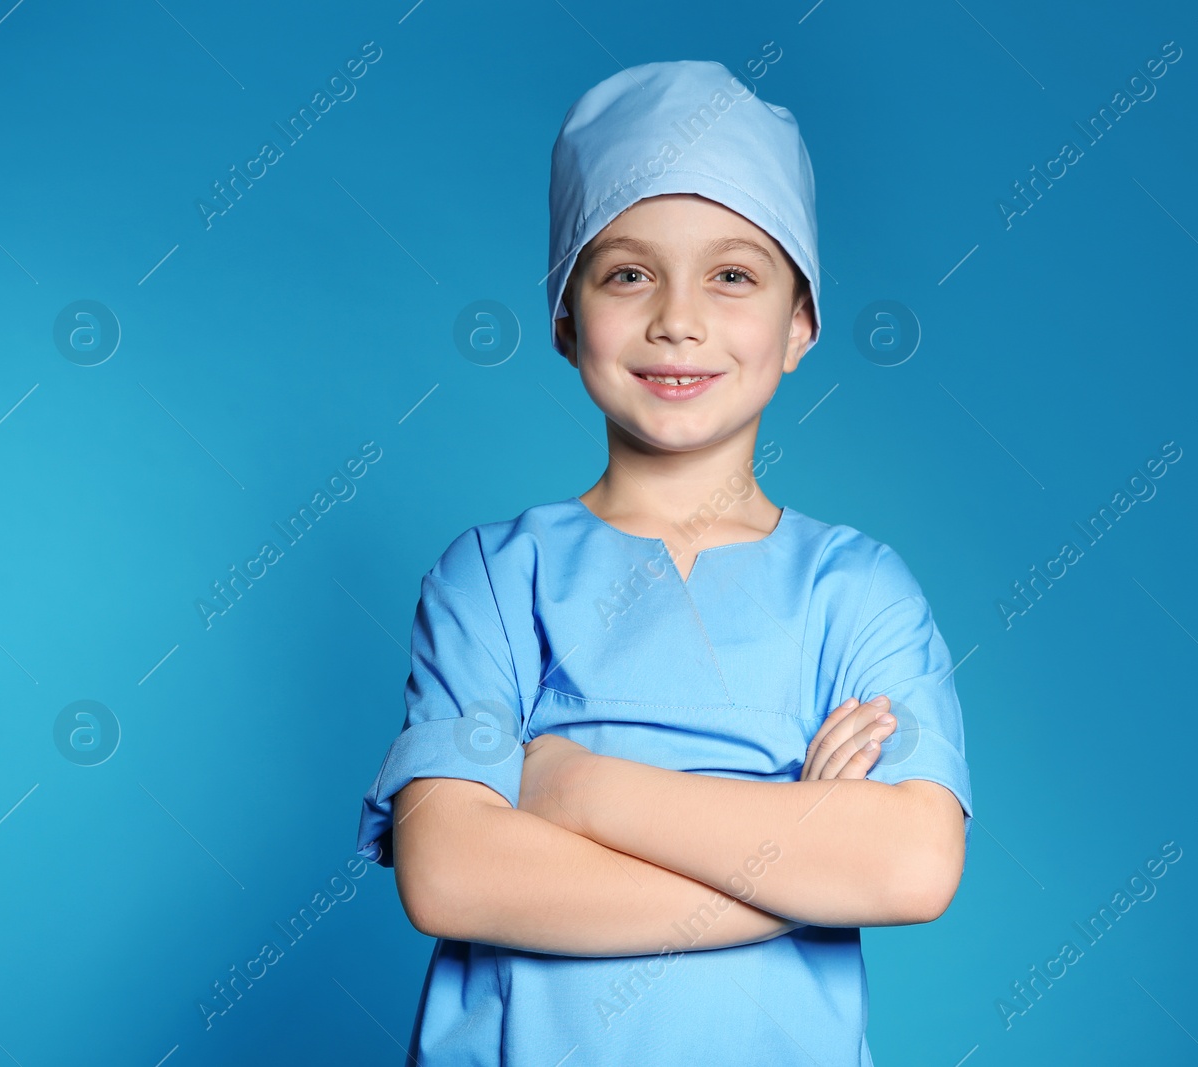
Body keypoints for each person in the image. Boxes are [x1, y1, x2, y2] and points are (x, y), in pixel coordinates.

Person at [355, 58, 974, 1066]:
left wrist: (569, 786)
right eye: (627, 272)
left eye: (732, 274)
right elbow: (451, 873)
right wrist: (787, 869)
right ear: (565, 315)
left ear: (799, 324)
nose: (676, 319)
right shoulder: (492, 581)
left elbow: (905, 863)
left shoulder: (856, 592)